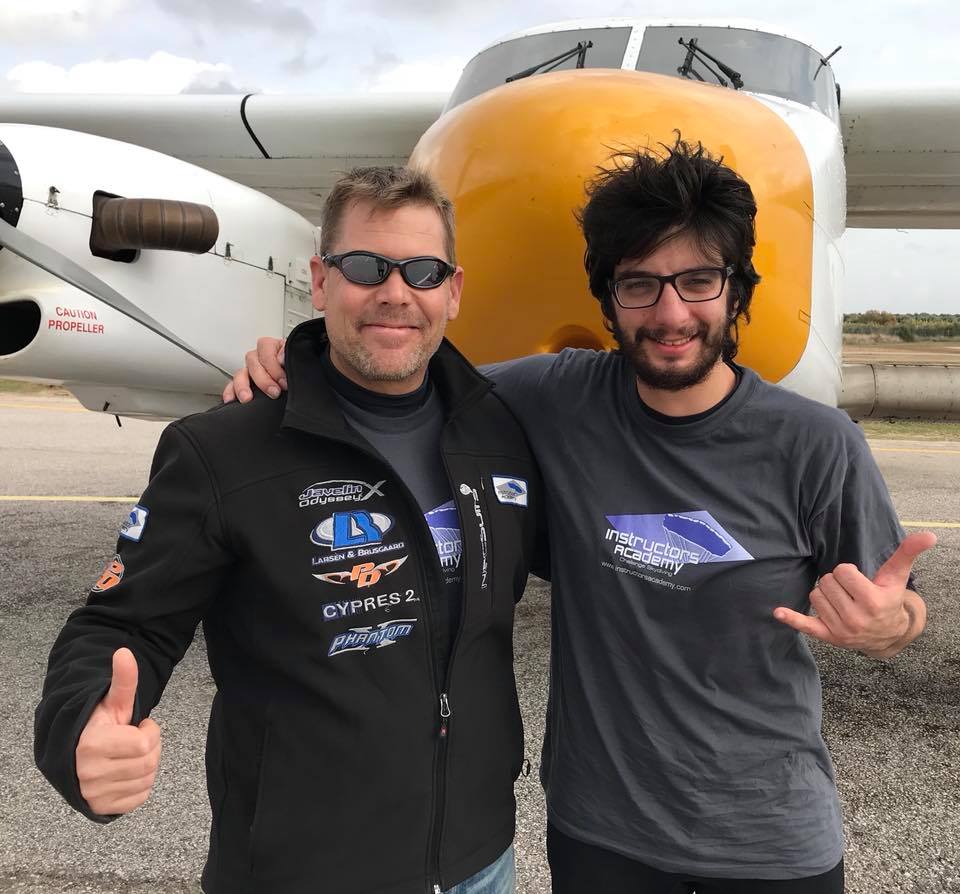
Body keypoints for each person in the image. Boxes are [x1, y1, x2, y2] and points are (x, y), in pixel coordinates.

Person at [227, 140, 934, 894]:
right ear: (606, 298)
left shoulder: (816, 444)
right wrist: (293, 359)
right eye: (639, 285)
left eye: (697, 280)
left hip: (771, 839)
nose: (670, 313)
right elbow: (401, 372)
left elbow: (900, 611)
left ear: (737, 292)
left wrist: (891, 626)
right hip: (601, 838)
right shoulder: (553, 397)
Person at [35, 166, 543, 894]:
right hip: (300, 872)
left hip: (479, 862)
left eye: (422, 271)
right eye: (366, 267)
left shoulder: (500, 434)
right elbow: (122, 624)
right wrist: (78, 724)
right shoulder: (222, 451)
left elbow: (603, 555)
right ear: (321, 279)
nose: (395, 293)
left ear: (452, 291)